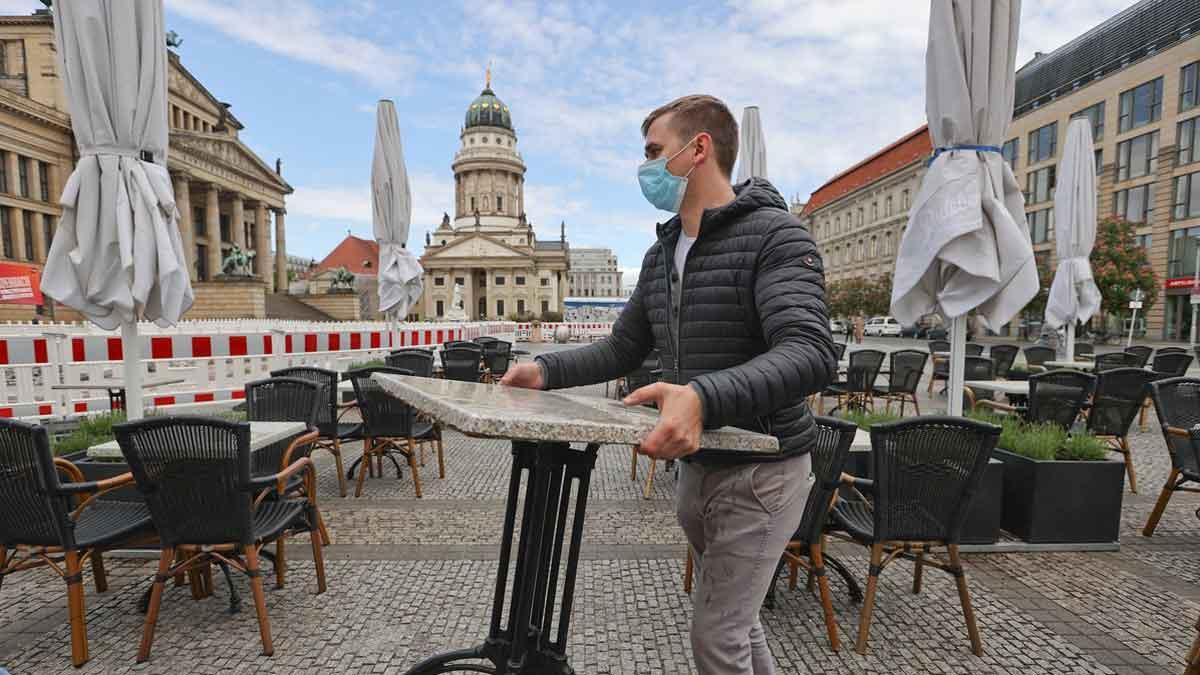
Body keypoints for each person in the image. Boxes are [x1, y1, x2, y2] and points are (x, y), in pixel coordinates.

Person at [501, 94, 836, 674]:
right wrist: (546, 370)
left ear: (698, 149)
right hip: (701, 468)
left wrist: (703, 396)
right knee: (739, 621)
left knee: (718, 635)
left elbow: (810, 353)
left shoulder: (776, 236)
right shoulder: (661, 254)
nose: (646, 168)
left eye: (655, 152)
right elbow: (624, 347)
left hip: (762, 471)